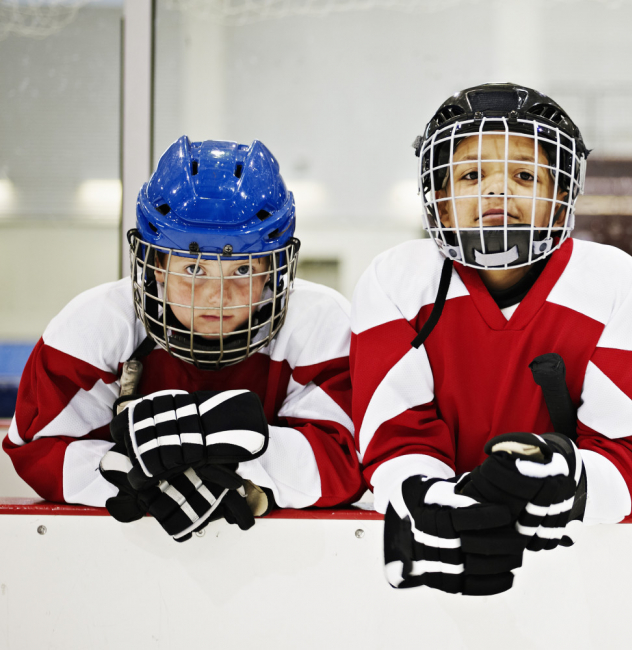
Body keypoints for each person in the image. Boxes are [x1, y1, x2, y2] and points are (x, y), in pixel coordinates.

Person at [352, 83, 632, 595]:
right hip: (439, 553)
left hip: (580, 566)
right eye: (472, 174)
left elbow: (630, 452)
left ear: (561, 194)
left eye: (524, 175)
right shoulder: (395, 280)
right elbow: (395, 438)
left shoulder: (615, 281)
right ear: (442, 200)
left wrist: (569, 482)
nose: (497, 192)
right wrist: (432, 502)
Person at [3, 136, 364, 541]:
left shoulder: (319, 323)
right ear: (157, 264)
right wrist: (138, 481)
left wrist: (235, 473)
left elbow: (347, 457)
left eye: (242, 271)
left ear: (271, 270)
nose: (216, 296)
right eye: (194, 269)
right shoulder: (95, 324)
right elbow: (38, 448)